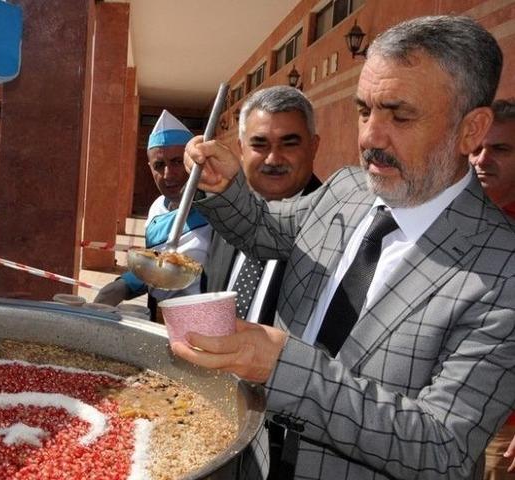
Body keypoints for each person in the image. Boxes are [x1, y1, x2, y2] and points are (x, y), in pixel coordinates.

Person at [180, 16, 515, 479]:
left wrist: (283, 368)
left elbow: (444, 448)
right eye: (364, 111)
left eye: (399, 115)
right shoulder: (346, 189)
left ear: (472, 129)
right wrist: (225, 186)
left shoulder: (503, 272)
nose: (370, 138)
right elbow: (265, 230)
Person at [205, 86, 321, 328]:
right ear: (241, 149)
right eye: (260, 144)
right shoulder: (227, 216)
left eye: (289, 144)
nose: (273, 159)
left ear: (313, 146)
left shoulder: (332, 227)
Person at [94, 110, 211, 318]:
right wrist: (122, 285)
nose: (168, 174)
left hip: (203, 319)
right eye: (159, 165)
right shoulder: (157, 207)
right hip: (160, 315)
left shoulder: (218, 209)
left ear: (192, 162)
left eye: (176, 162)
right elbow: (158, 267)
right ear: (150, 168)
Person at [472, 99, 515, 480]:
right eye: (476, 149)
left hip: (503, 432)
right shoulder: (447, 219)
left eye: (500, 149)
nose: (482, 159)